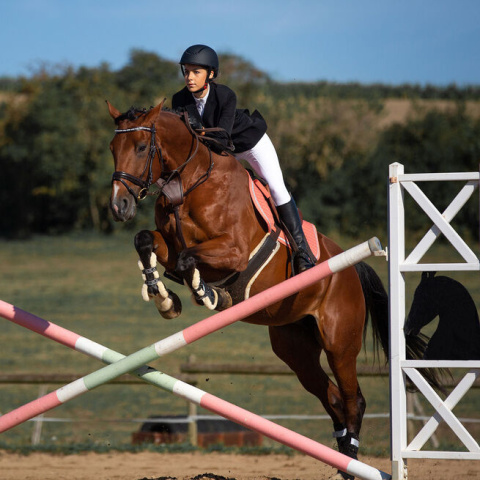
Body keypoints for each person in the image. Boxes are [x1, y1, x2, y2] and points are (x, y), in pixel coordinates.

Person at [172, 44, 314, 274]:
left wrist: (197, 131)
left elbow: (222, 137)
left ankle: (303, 253)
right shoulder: (180, 100)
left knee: (277, 187)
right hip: (220, 151)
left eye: (196, 72)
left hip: (250, 143)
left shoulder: (225, 95)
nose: (189, 77)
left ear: (211, 74)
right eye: (186, 71)